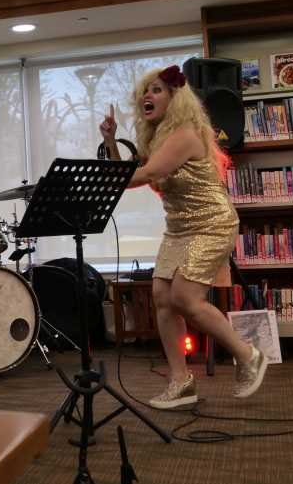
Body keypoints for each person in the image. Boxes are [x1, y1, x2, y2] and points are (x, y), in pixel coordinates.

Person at [99, 64, 268, 409]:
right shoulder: (158, 138)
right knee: (162, 298)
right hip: (179, 227)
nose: (147, 96)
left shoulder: (186, 133)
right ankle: (181, 382)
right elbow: (129, 175)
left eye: (157, 90)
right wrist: (110, 142)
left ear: (176, 97)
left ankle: (248, 355)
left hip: (211, 224)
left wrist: (99, 180)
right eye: (145, 92)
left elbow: (146, 174)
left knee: (186, 299)